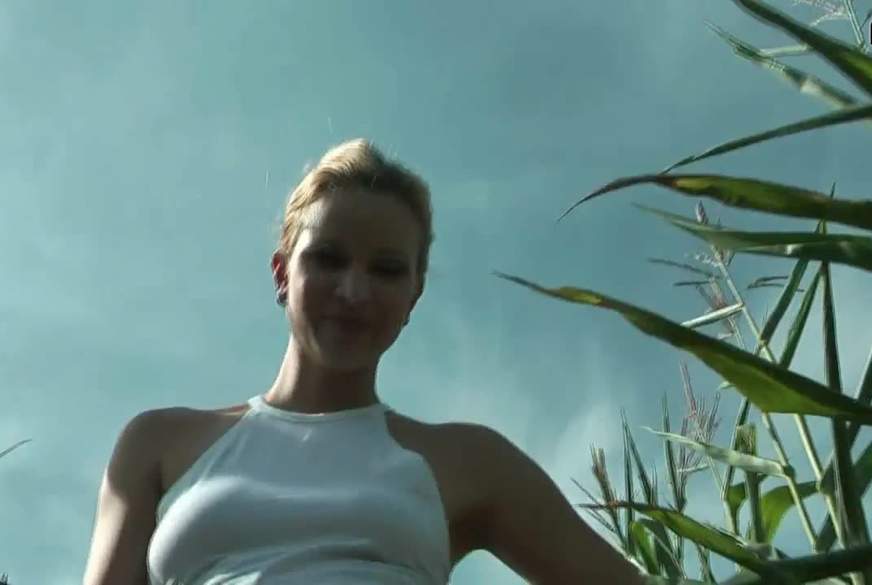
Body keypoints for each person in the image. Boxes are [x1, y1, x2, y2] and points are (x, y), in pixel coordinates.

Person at [83, 138, 647, 584]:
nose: (354, 292)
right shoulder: (159, 444)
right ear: (283, 274)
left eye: (386, 270)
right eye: (328, 259)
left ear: (413, 295)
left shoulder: (469, 462)